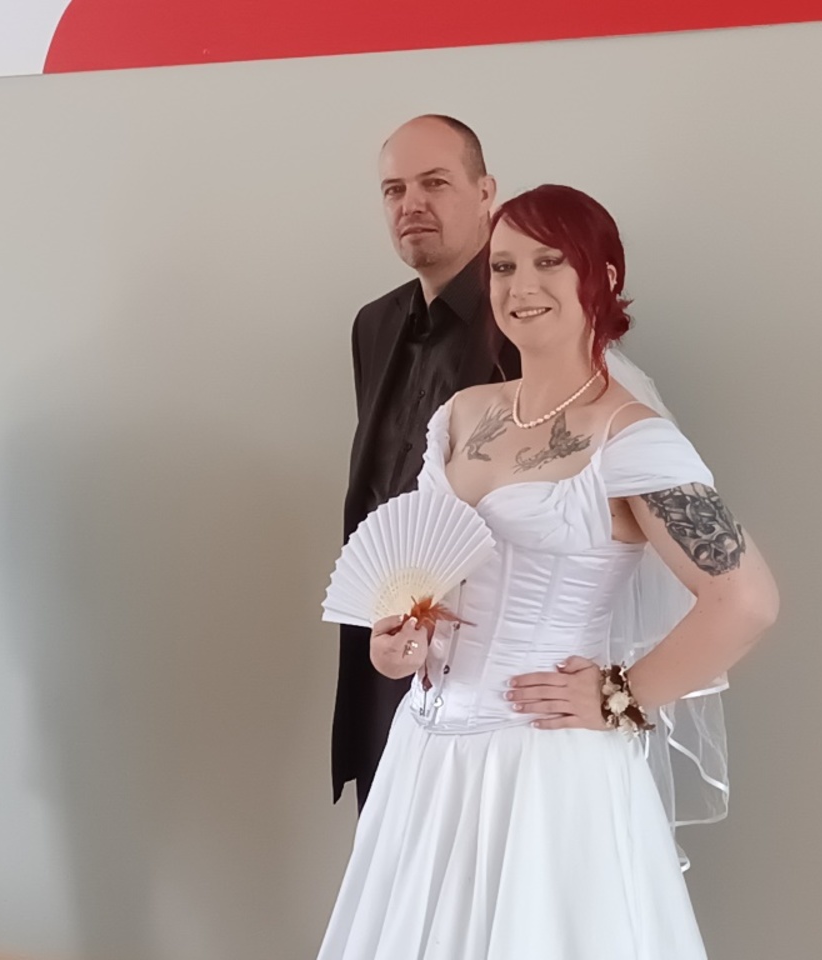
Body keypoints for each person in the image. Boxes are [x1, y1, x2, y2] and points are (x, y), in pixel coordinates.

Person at [316, 185, 779, 959]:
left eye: (548, 261)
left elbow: (746, 599)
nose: (520, 285)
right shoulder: (461, 415)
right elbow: (434, 576)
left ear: (602, 276)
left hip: (546, 766)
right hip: (426, 757)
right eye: (502, 266)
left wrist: (621, 695)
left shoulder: (629, 436)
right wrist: (402, 644)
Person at [333, 115, 521, 808]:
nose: (411, 203)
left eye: (435, 183)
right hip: (384, 646)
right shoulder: (374, 324)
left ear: (485, 193)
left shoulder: (526, 318)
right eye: (394, 190)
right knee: (386, 855)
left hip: (485, 665)